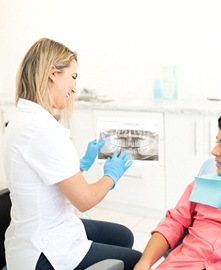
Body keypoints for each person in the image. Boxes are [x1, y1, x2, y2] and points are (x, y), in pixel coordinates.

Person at [2, 38, 142, 270]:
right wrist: (111, 176)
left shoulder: (23, 118)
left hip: (34, 233)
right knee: (139, 260)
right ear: (53, 74)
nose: (75, 88)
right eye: (73, 77)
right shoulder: (42, 129)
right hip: (45, 252)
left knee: (123, 236)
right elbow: (84, 200)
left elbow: (49, 178)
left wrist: (81, 166)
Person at [134, 107, 221, 270]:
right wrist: (144, 262)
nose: (214, 151)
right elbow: (173, 222)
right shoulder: (201, 185)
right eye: (217, 142)